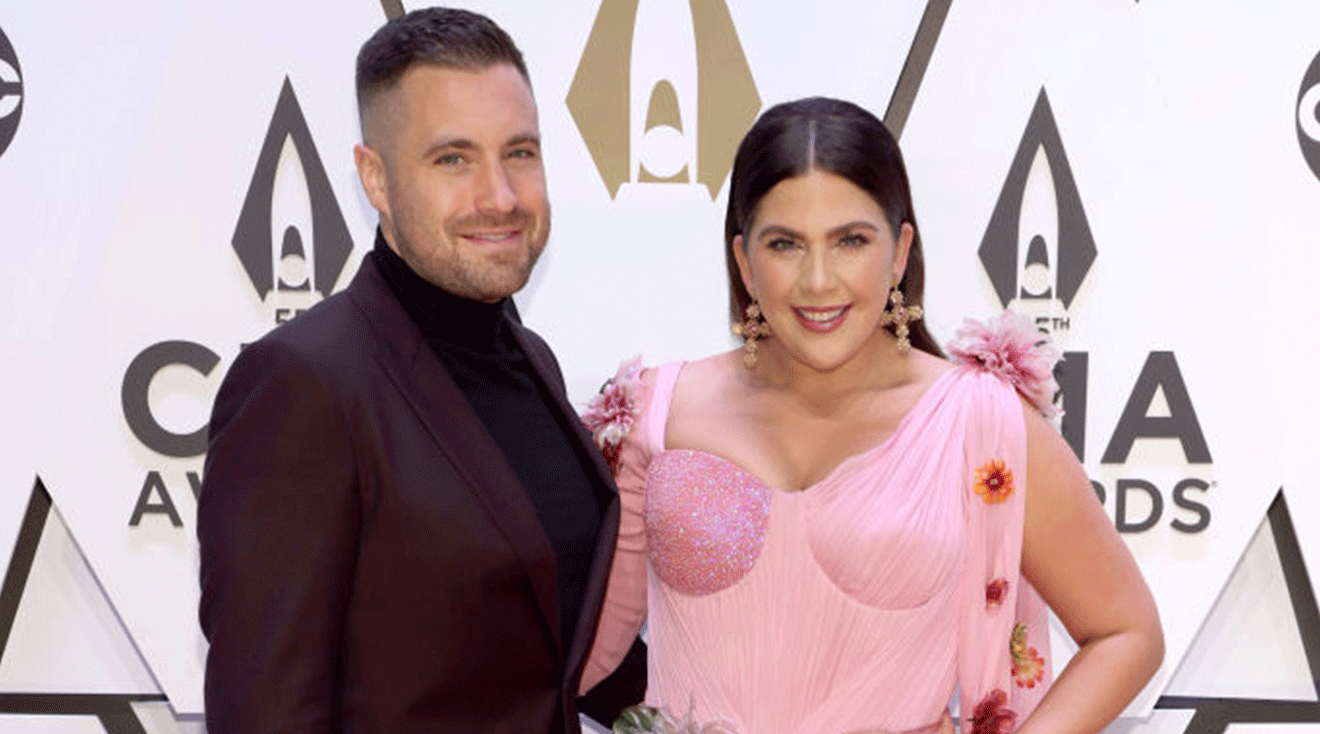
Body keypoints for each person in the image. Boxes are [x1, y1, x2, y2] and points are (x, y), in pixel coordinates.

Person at [579, 97, 1163, 734]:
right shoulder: (653, 414)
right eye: (786, 245)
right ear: (745, 261)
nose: (819, 281)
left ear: (899, 251)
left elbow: (1125, 632)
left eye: (850, 241)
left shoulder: (979, 422)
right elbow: (577, 657)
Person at [197, 8, 642, 733]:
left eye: (520, 152)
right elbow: (266, 714)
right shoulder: (303, 385)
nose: (499, 196)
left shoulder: (532, 361)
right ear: (374, 177)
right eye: (452, 159)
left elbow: (562, 651)